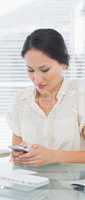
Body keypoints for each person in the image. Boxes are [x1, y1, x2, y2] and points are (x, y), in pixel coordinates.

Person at [7, 28, 85, 167]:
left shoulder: (79, 95)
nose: (37, 79)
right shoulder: (21, 99)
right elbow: (16, 153)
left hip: (73, 185)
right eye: (30, 70)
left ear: (64, 64)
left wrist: (53, 156)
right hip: (31, 183)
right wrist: (18, 156)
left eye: (44, 70)